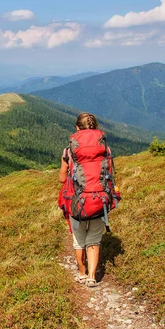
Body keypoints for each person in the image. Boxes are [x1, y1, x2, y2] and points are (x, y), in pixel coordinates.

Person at [59, 112, 105, 288]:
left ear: (77, 128)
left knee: (79, 239)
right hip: (99, 199)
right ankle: (93, 277)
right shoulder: (104, 149)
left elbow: (62, 179)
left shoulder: (68, 150)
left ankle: (82, 273)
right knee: (94, 239)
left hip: (77, 200)